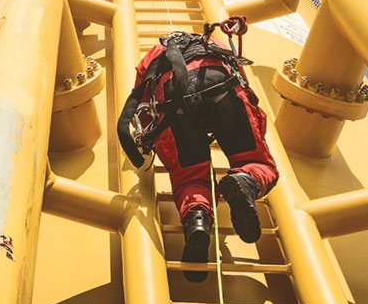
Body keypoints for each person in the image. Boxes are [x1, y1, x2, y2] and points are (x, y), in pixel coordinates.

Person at [116, 20, 278, 280]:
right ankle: (247, 179)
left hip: (173, 101)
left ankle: (197, 220)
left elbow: (143, 103)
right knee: (258, 162)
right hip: (223, 87)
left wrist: (150, 141)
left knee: (190, 177)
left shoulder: (153, 59)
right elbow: (244, 85)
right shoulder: (215, 45)